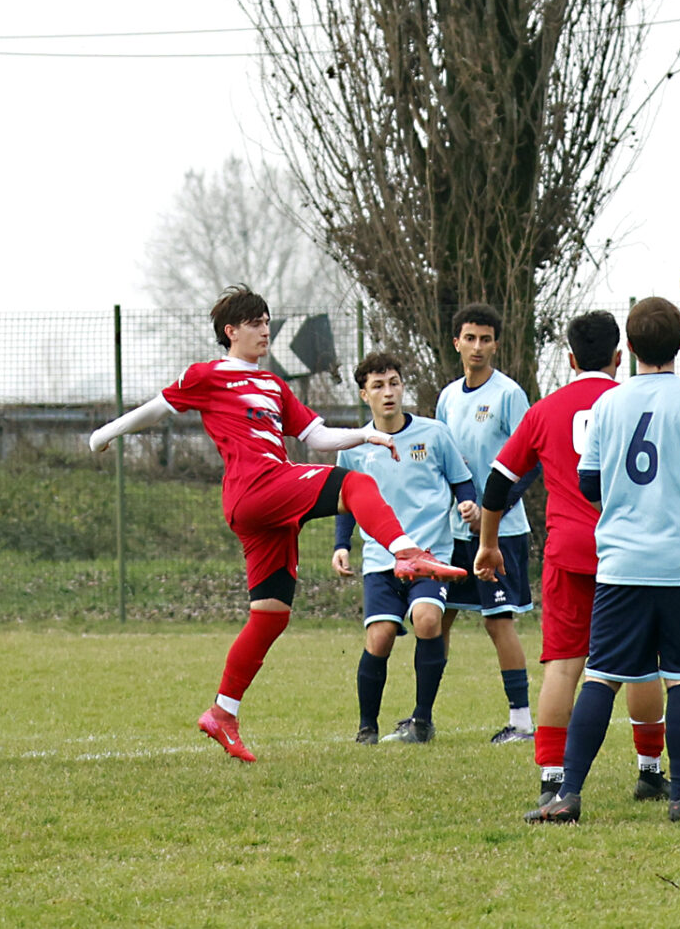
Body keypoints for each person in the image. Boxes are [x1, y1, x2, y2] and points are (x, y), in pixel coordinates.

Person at [87, 285, 463, 762]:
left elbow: (316, 436)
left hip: (266, 507)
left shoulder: (273, 385)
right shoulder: (209, 375)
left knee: (271, 614)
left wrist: (365, 435)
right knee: (355, 484)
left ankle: (222, 712)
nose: (265, 330)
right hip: (255, 487)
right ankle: (406, 551)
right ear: (231, 331)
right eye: (255, 323)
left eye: (267, 322)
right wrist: (106, 433)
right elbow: (159, 406)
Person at [525, 296, 680, 824]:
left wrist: (622, 507)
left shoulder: (609, 404)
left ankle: (568, 794)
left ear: (630, 347)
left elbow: (588, 482)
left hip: (622, 564)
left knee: (601, 676)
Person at [473, 311, 670, 807]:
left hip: (568, 554)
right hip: (629, 553)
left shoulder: (545, 411)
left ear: (569, 358)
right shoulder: (636, 404)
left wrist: (488, 543)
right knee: (642, 664)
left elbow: (497, 484)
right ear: (619, 356)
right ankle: (650, 771)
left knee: (563, 667)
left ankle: (552, 781)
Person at [333, 353, 475, 745]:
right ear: (364, 395)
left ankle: (422, 721)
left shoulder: (434, 434)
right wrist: (341, 545)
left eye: (394, 383)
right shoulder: (355, 447)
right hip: (382, 559)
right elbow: (347, 502)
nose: (388, 392)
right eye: (378, 386)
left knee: (427, 620)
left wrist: (468, 503)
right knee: (379, 637)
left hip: (430, 555)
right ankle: (367, 727)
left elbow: (462, 480)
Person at [435, 303, 538, 744]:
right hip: (454, 532)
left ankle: (522, 722)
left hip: (502, 533)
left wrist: (491, 512)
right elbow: (442, 461)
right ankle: (422, 716)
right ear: (456, 343)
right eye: (470, 338)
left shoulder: (509, 394)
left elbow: (530, 461)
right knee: (436, 618)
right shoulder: (447, 397)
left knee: (498, 622)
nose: (477, 347)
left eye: (486, 339)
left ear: (496, 344)